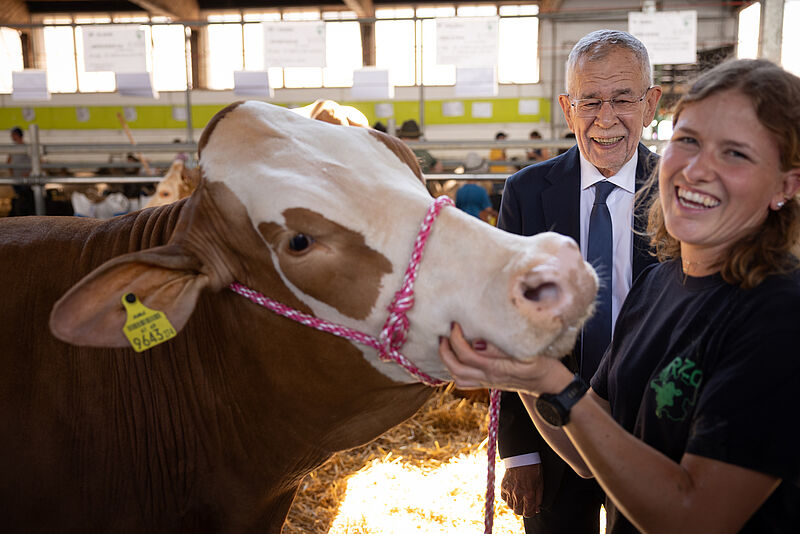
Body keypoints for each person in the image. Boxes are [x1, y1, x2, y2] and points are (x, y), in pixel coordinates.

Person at [440, 58, 800, 533]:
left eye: (735, 153)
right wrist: (526, 370)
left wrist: (549, 382)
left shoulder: (780, 317)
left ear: (786, 185)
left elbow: (692, 520)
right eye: (687, 140)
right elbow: (584, 454)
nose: (695, 170)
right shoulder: (657, 287)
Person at [494, 29, 662, 534]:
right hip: (551, 429)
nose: (606, 118)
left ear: (650, 103)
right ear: (568, 108)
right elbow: (509, 323)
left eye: (622, 99)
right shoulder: (526, 193)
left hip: (652, 434)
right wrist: (518, 451)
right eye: (590, 100)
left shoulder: (679, 193)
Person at [7, 126, 34, 216]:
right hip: (16, 178)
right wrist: (11, 173)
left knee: (25, 198)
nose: (12, 136)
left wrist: (28, 173)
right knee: (20, 197)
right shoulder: (13, 148)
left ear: (17, 135)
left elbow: (35, 161)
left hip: (24, 179)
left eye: (13, 134)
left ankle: (24, 214)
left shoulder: (26, 147)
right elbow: (9, 160)